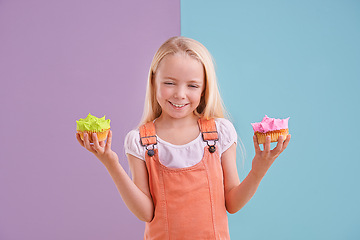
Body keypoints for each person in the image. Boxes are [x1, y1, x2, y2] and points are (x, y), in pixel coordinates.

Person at [76, 36, 291, 239]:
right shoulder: (139, 140)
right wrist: (111, 163)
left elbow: (232, 203)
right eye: (169, 83)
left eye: (192, 85)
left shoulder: (220, 132)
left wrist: (260, 168)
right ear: (154, 80)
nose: (180, 94)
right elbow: (145, 213)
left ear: (204, 88)